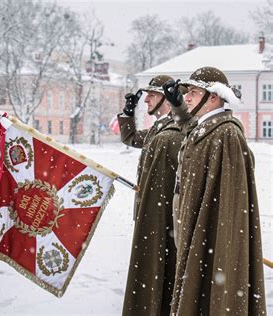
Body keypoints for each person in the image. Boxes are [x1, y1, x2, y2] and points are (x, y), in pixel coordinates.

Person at [162, 67, 266, 315]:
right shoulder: (207, 127)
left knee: (211, 295)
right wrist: (176, 105)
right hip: (195, 228)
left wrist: (215, 240)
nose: (187, 97)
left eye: (193, 93)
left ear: (214, 96)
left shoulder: (226, 134)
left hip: (211, 235)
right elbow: (189, 127)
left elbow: (229, 201)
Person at [119, 75, 183, 315]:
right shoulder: (159, 127)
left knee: (166, 268)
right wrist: (128, 113)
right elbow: (131, 139)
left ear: (166, 99)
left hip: (164, 214)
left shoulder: (175, 128)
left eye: (152, 95)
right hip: (152, 209)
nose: (146, 99)